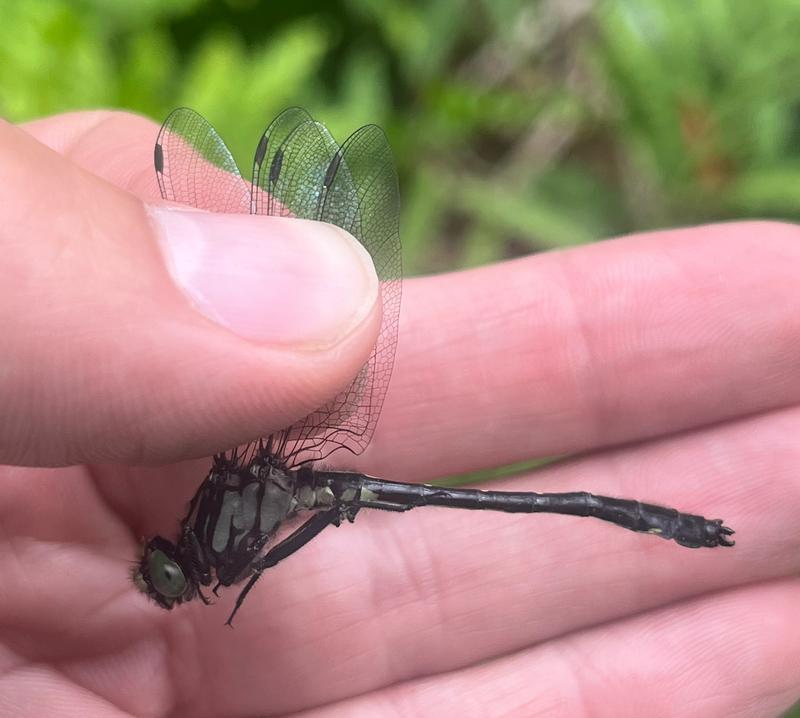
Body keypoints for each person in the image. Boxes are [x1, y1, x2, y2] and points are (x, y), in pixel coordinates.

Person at [1, 111, 798, 717]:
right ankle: (665, 523)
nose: (172, 578)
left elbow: (269, 545)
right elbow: (266, 548)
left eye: (170, 572)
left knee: (575, 502)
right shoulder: (223, 524)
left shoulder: (221, 523)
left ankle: (657, 521)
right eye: (170, 573)